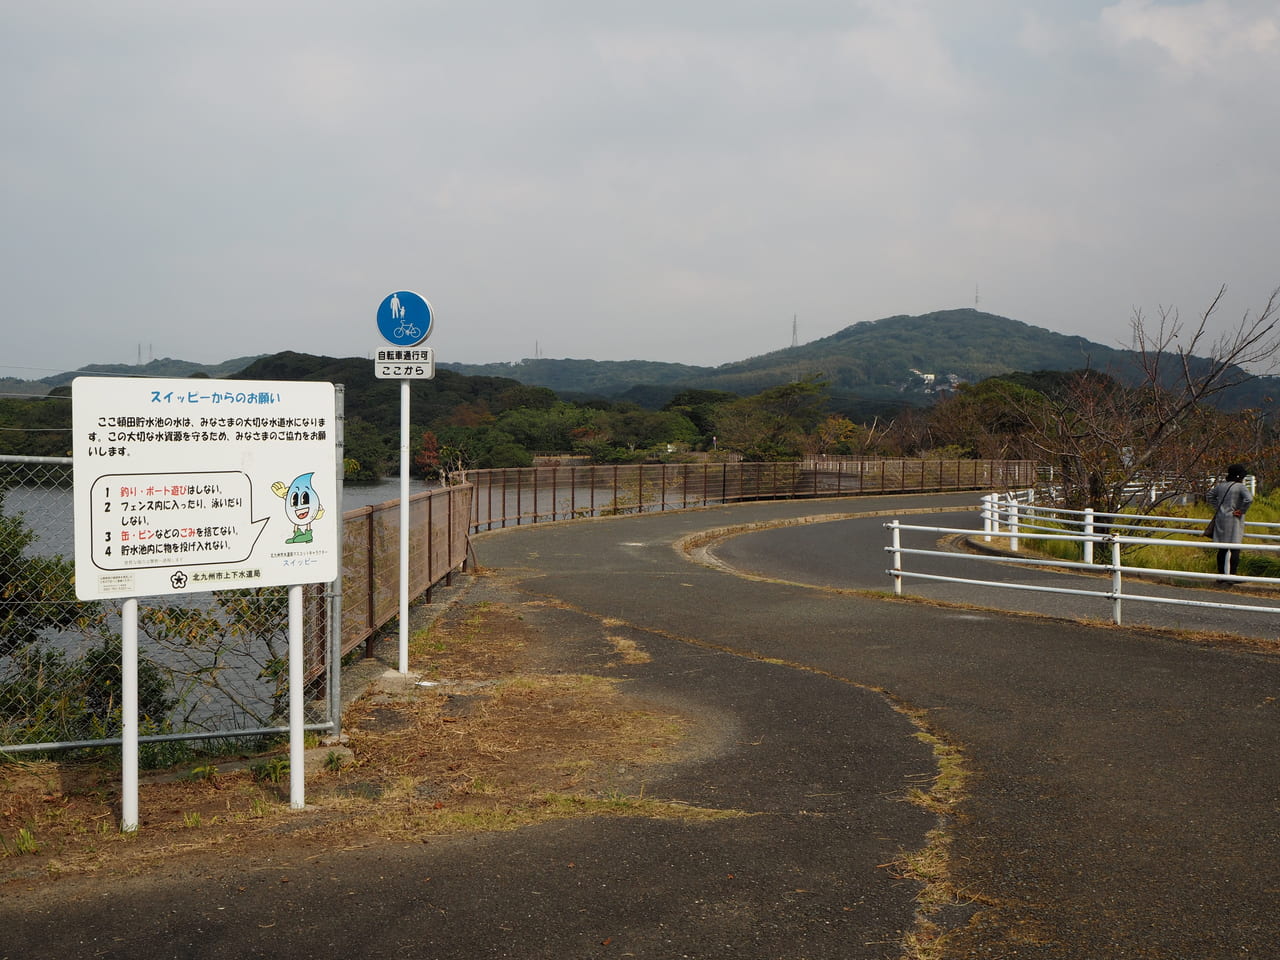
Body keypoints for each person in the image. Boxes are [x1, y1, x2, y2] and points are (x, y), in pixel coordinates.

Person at [1206, 464, 1253, 585]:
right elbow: (1249, 499)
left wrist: (1219, 508)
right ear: (1240, 476)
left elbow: (1210, 495)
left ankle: (1221, 576)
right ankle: (1232, 575)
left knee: (1222, 549)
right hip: (1233, 520)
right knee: (1235, 548)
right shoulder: (1240, 487)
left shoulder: (1221, 486)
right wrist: (1241, 510)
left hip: (1221, 518)